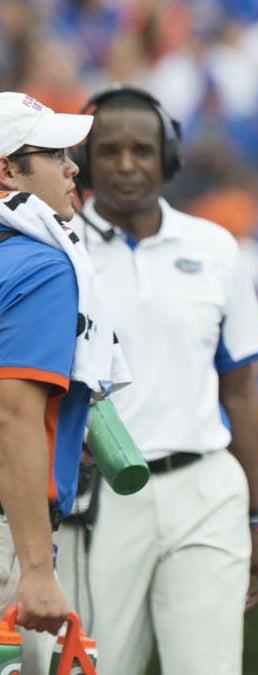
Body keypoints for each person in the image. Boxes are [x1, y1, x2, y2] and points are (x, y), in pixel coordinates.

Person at [60, 86, 258, 675]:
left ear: (168, 159)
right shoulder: (59, 252)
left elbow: (242, 390)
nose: (126, 165)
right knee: (95, 668)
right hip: (99, 498)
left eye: (142, 150)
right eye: (109, 151)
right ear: (81, 161)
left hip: (204, 487)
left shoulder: (215, 248)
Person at [0, 91, 130, 672]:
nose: (73, 166)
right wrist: (34, 567)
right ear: (8, 169)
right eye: (54, 153)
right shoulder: (44, 264)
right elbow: (12, 417)